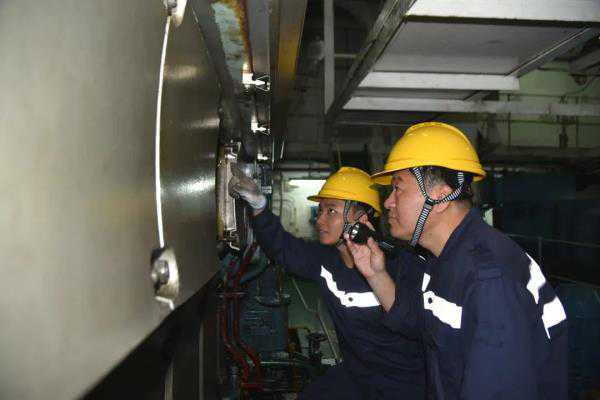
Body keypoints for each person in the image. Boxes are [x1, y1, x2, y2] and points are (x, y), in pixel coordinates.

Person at [345, 122, 568, 400]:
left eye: (397, 188)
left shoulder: (488, 278)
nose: (388, 202)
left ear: (440, 197)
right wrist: (375, 274)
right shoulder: (443, 258)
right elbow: (421, 325)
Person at [229, 166, 426, 400]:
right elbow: (282, 247)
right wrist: (259, 205)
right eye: (320, 210)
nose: (319, 220)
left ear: (361, 219)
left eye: (331, 211)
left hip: (405, 381)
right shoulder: (324, 261)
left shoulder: (402, 266)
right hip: (356, 372)